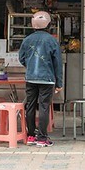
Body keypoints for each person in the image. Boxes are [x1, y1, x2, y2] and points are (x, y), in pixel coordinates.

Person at [18, 11, 63, 147]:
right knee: (44, 106)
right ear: (48, 24)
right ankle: (42, 138)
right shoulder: (52, 40)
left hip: (31, 78)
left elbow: (21, 58)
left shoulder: (27, 40)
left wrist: (30, 66)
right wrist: (59, 82)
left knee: (30, 106)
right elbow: (57, 63)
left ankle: (31, 135)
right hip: (47, 79)